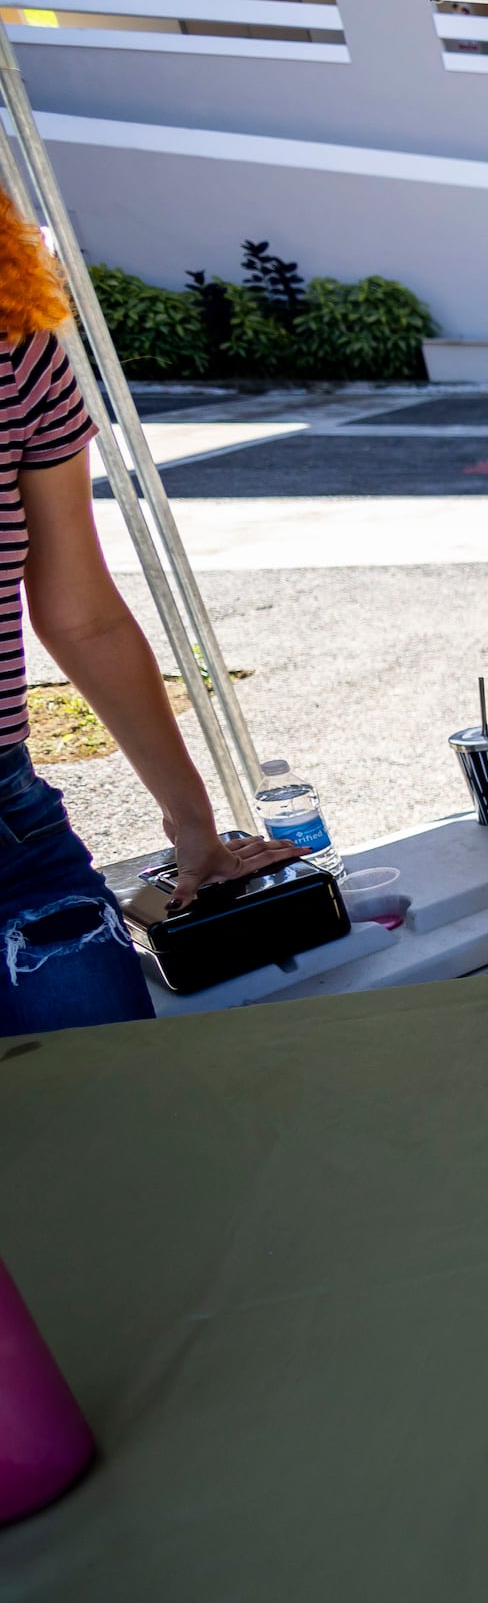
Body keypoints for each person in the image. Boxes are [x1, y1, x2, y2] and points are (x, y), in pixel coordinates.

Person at [0, 192, 294, 1037]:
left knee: (122, 1086)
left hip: (12, 822)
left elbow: (82, 615)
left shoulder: (20, 346)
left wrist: (194, 828)